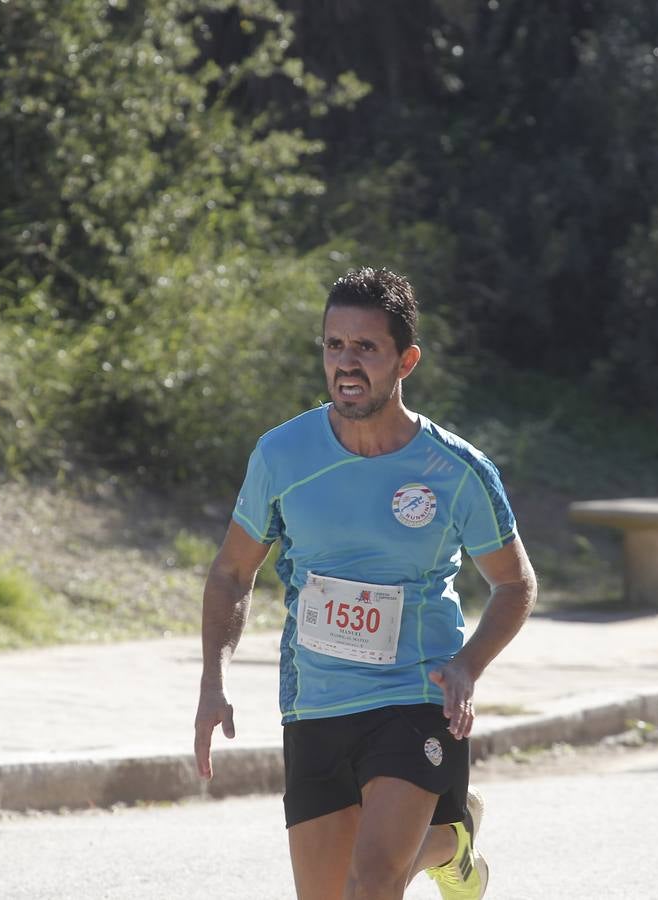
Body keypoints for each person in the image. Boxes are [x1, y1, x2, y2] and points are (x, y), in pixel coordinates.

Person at [194, 267, 537, 900]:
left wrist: (467, 666)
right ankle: (449, 844)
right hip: (316, 700)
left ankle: (437, 839)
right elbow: (232, 573)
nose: (346, 363)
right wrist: (213, 682)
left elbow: (514, 584)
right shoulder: (282, 456)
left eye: (366, 347)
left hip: (416, 694)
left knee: (373, 882)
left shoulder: (455, 470)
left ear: (406, 360)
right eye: (333, 345)